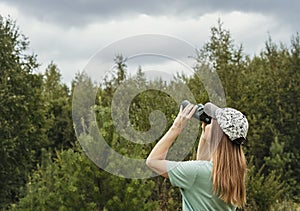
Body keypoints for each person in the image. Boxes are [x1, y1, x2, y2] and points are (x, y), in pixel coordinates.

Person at [146, 102, 248, 210]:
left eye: (211, 121)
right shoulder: (234, 175)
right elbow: (202, 163)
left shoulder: (198, 173)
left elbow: (153, 161)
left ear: (217, 133)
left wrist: (177, 126)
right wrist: (205, 136)